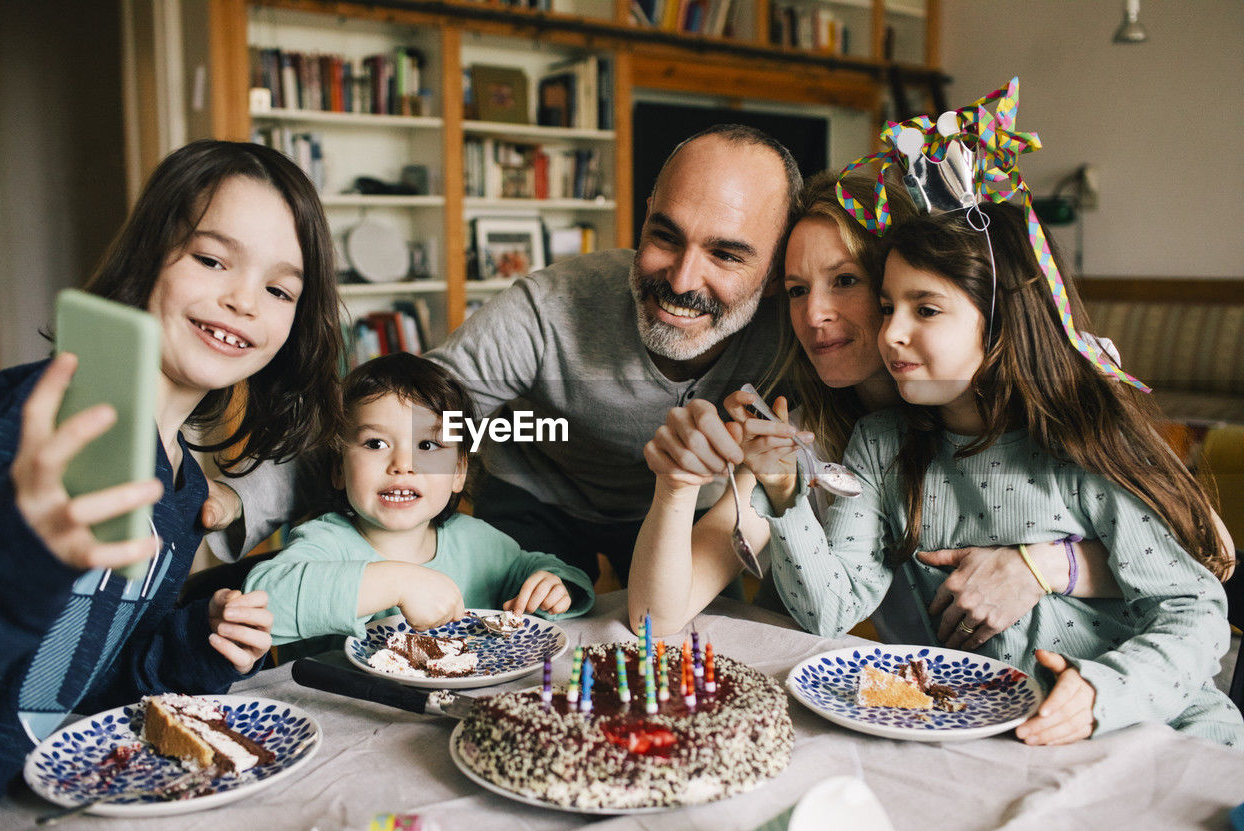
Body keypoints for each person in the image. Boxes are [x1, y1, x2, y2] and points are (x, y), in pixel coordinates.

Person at [204, 124, 802, 586]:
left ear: (776, 273)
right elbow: (399, 421)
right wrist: (243, 501)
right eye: (665, 236)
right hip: (534, 490)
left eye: (726, 255)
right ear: (644, 217)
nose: (680, 279)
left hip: (685, 506)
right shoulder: (549, 306)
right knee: (518, 635)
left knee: (689, 649)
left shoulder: (797, 330)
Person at [761, 200, 1241, 746]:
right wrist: (784, 497)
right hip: (997, 738)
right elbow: (829, 611)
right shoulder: (880, 446)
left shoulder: (1082, 437)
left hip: (1155, 725)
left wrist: (1101, 693)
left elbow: (1194, 610)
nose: (890, 332)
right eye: (889, 306)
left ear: (1002, 319)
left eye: (926, 309)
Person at [0, 139, 344, 819]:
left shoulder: (184, 493)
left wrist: (195, 643)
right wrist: (12, 564)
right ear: (148, 257)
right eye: (210, 259)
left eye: (279, 288)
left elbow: (96, 678)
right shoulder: (43, 415)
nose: (242, 300)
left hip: (27, 808)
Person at [631, 172, 1122, 642]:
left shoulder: (1056, 385)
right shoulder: (807, 438)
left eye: (845, 281)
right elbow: (657, 615)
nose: (814, 314)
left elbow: (1190, 549)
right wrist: (675, 486)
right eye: (798, 290)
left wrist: (1044, 566)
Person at [243, 353, 595, 647]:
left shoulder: (478, 543)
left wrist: (554, 585)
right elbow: (262, 601)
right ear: (338, 470)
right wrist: (395, 583)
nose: (403, 466)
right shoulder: (326, 544)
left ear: (459, 472)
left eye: (427, 446)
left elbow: (547, 571)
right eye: (375, 444)